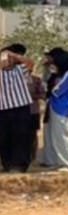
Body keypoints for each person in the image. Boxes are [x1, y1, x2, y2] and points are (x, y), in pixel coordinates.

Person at [39, 47, 68, 172]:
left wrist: (46, 92)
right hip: (54, 106)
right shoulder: (57, 74)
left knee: (61, 136)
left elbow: (57, 90)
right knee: (52, 135)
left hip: (62, 108)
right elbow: (46, 82)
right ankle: (53, 161)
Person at [0, 42, 37, 172]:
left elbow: (31, 63)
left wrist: (14, 55)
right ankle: (7, 164)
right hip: (3, 109)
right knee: (4, 137)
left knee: (21, 136)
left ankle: (20, 165)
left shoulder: (20, 70)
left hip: (21, 108)